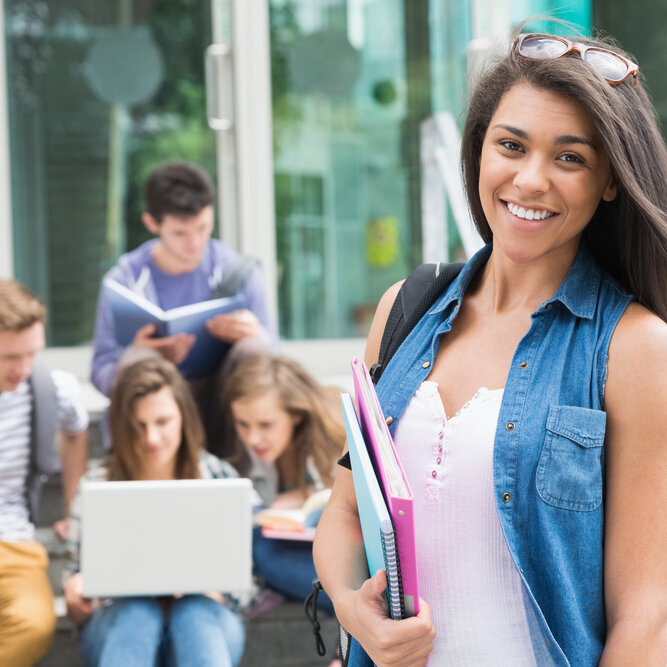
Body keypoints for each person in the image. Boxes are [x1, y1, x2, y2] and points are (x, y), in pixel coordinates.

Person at [313, 27, 667, 667]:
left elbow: (647, 619)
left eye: (570, 158)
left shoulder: (637, 349)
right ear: (478, 152)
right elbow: (343, 515)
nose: (530, 180)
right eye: (511, 145)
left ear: (610, 181)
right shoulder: (406, 308)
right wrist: (350, 606)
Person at [63, 357, 248, 666]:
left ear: (183, 418)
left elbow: (247, 585)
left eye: (162, 422)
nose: (151, 438)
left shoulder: (219, 477)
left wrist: (214, 591)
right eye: (139, 425)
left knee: (194, 614)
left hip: (204, 619)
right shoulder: (96, 486)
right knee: (137, 614)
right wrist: (77, 597)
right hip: (120, 625)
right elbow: (76, 607)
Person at [91, 161, 277, 458]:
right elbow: (100, 373)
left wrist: (257, 337)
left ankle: (245, 471)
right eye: (180, 233)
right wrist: (140, 354)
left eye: (203, 227)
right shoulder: (123, 280)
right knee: (137, 359)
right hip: (153, 411)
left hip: (222, 407)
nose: (194, 242)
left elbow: (277, 366)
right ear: (152, 223)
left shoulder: (240, 272)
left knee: (256, 350)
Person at [0, 279, 89, 666]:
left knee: (34, 625)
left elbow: (76, 428)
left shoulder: (51, 389)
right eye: (9, 357)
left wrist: (72, 510)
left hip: (13, 543)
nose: (23, 368)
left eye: (32, 354)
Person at [223, 355, 345, 614]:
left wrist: (306, 496)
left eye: (266, 425)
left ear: (296, 416)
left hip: (347, 555)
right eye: (243, 424)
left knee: (261, 550)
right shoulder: (247, 457)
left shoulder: (334, 438)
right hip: (298, 551)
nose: (253, 438)